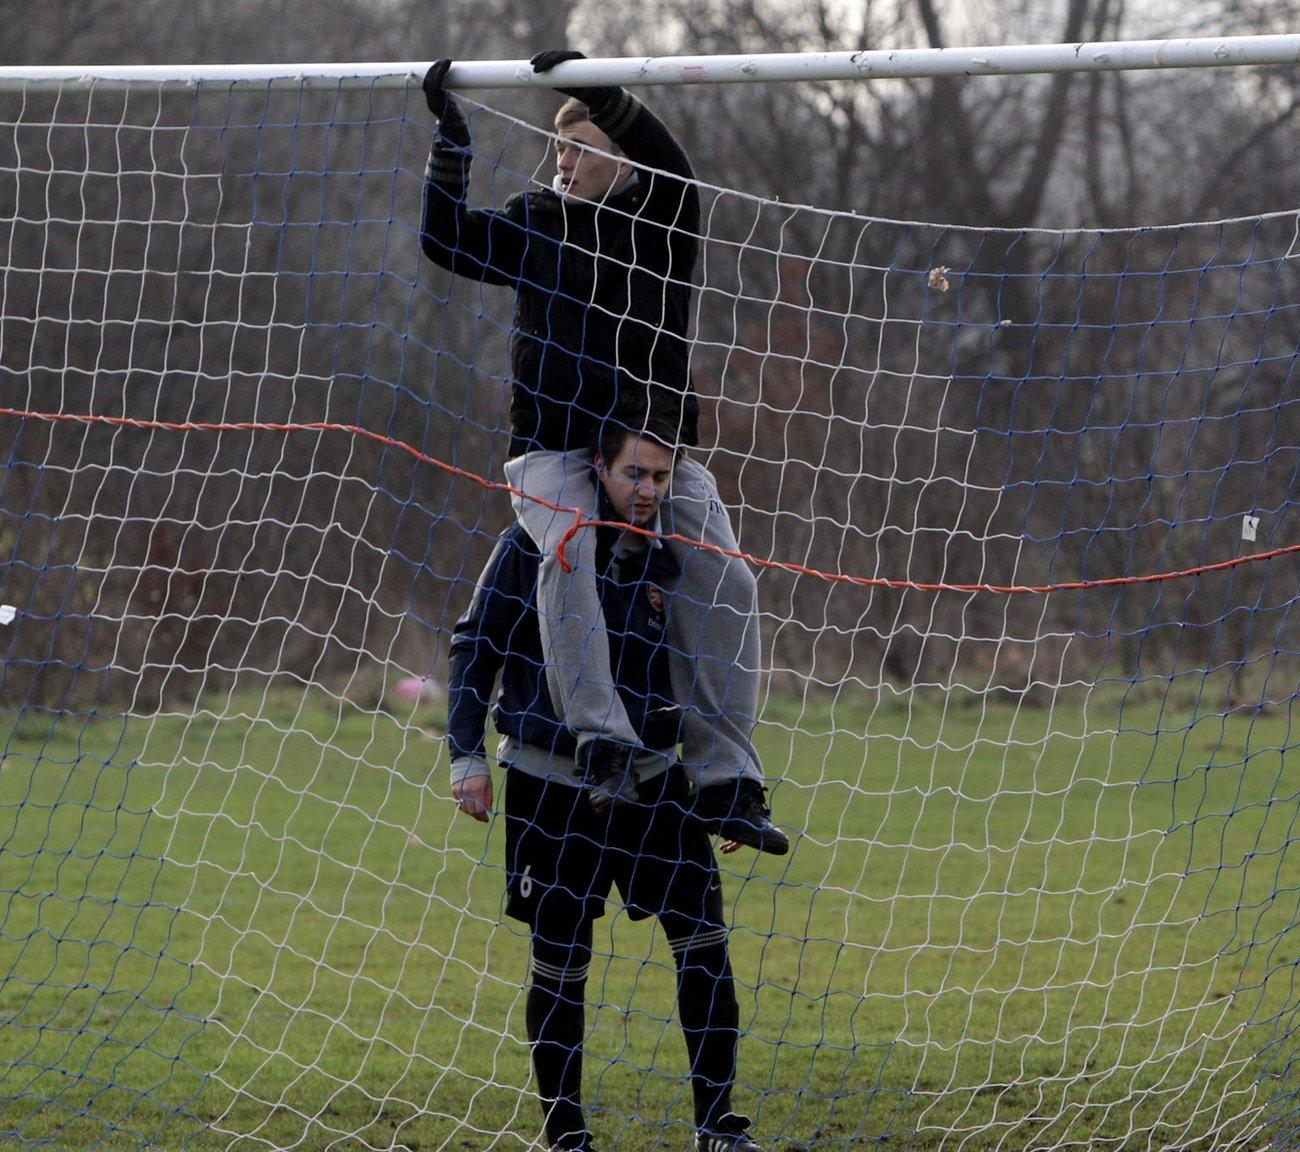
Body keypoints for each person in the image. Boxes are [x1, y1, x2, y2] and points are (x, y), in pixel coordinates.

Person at [421, 50, 786, 853]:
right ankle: (604, 746)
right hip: (553, 447)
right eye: (560, 146)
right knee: (569, 555)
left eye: (582, 143)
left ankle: (728, 780)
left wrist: (603, 95)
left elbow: (677, 166)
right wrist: (450, 150)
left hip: (650, 445)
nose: (565, 159)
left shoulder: (663, 220)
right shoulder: (535, 221)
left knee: (726, 574)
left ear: (621, 155)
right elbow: (446, 242)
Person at [449, 420, 765, 1152]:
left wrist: (719, 778)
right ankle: (566, 1136)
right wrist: (465, 756)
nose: (647, 490)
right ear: (598, 468)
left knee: (705, 947)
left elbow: (709, 665)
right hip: (552, 786)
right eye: (633, 473)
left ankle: (717, 1126)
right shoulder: (535, 541)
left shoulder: (679, 550)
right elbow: (476, 644)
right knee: (562, 964)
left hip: (658, 782)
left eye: (659, 475)